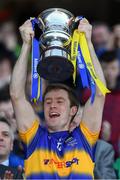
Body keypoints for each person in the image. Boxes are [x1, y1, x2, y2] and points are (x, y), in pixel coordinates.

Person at [10, 18, 106, 179]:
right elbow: (16, 95)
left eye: (59, 101)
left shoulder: (84, 137)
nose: (52, 106)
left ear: (73, 110)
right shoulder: (34, 137)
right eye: (48, 102)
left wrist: (88, 42)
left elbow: (100, 93)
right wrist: (26, 45)